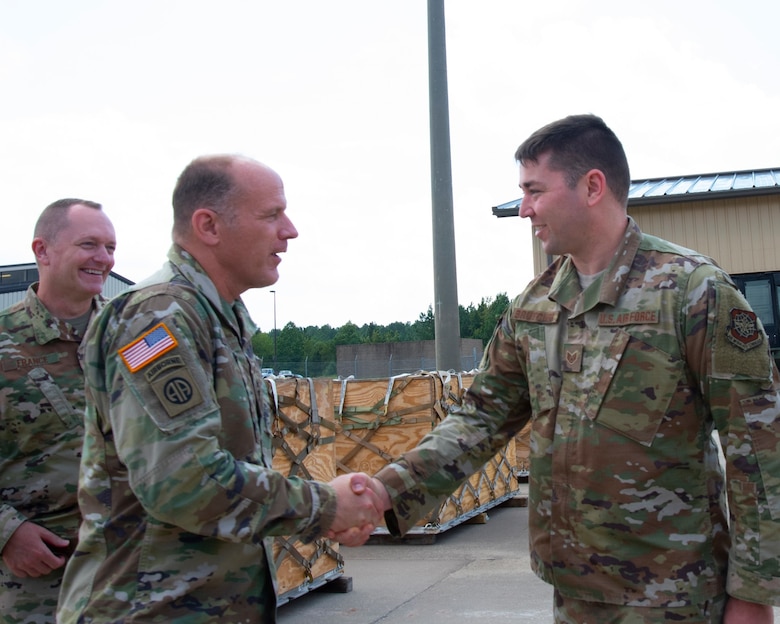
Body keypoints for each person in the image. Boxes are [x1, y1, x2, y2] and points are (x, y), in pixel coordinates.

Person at [358, 115, 780, 623]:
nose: (523, 209)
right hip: (574, 593)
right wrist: (387, 490)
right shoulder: (534, 307)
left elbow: (759, 450)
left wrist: (754, 593)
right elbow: (480, 418)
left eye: (534, 191)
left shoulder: (692, 292)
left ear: (592, 186)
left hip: (677, 597)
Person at [57, 155, 384, 623]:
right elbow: (183, 480)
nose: (289, 231)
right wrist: (324, 506)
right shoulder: (157, 317)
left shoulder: (219, 317)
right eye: (271, 215)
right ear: (209, 225)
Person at [0, 199, 116, 623]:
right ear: (42, 251)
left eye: (110, 247)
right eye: (89, 244)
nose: (103, 259)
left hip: (129, 568)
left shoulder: (134, 340)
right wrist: (7, 534)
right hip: (38, 577)